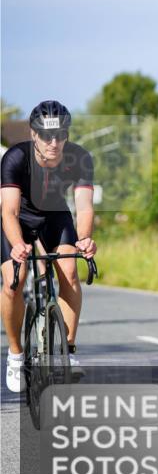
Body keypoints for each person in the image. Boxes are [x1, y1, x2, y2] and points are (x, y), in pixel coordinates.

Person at [1, 100, 97, 392]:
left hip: (55, 215)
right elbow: (9, 212)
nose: (53, 142)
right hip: (20, 217)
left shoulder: (80, 158)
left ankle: (67, 352)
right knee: (12, 283)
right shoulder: (16, 157)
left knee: (69, 273)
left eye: (60, 135)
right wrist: (17, 244)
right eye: (46, 135)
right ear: (33, 134)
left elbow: (84, 207)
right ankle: (16, 354)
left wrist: (83, 239)